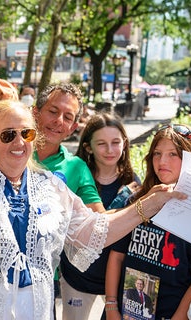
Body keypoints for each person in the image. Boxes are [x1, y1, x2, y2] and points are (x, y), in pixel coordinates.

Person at [0, 18, 187, 319]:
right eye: (7, 134)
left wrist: (148, 203)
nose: (18, 142)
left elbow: (97, 230)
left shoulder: (52, 187)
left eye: (25, 133)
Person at [105, 124, 191, 320]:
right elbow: (117, 255)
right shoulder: (138, 201)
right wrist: (111, 306)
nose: (162, 161)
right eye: (157, 153)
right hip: (123, 312)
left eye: (173, 154)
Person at [58, 113, 142, 318]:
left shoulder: (133, 181)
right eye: (102, 144)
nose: (111, 150)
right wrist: (123, 198)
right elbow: (94, 226)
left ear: (124, 143)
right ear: (88, 147)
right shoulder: (78, 177)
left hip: (116, 278)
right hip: (77, 276)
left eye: (116, 142)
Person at [33, 83, 105, 213]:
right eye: (53, 112)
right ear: (35, 113)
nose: (59, 121)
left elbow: (100, 220)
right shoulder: (12, 148)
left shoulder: (77, 167)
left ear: (72, 128)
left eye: (67, 117)